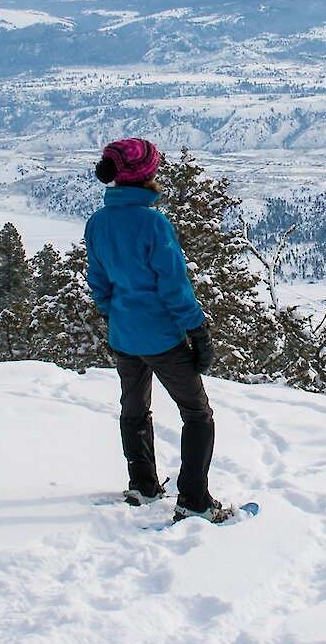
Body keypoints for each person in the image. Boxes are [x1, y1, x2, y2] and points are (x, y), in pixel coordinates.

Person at [83, 138, 232, 523]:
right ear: (146, 175)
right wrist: (197, 330)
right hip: (162, 338)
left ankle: (143, 485)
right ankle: (194, 500)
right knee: (197, 414)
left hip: (124, 336)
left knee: (134, 409)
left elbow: (99, 282)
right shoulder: (153, 223)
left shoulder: (98, 222)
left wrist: (114, 316)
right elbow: (173, 286)